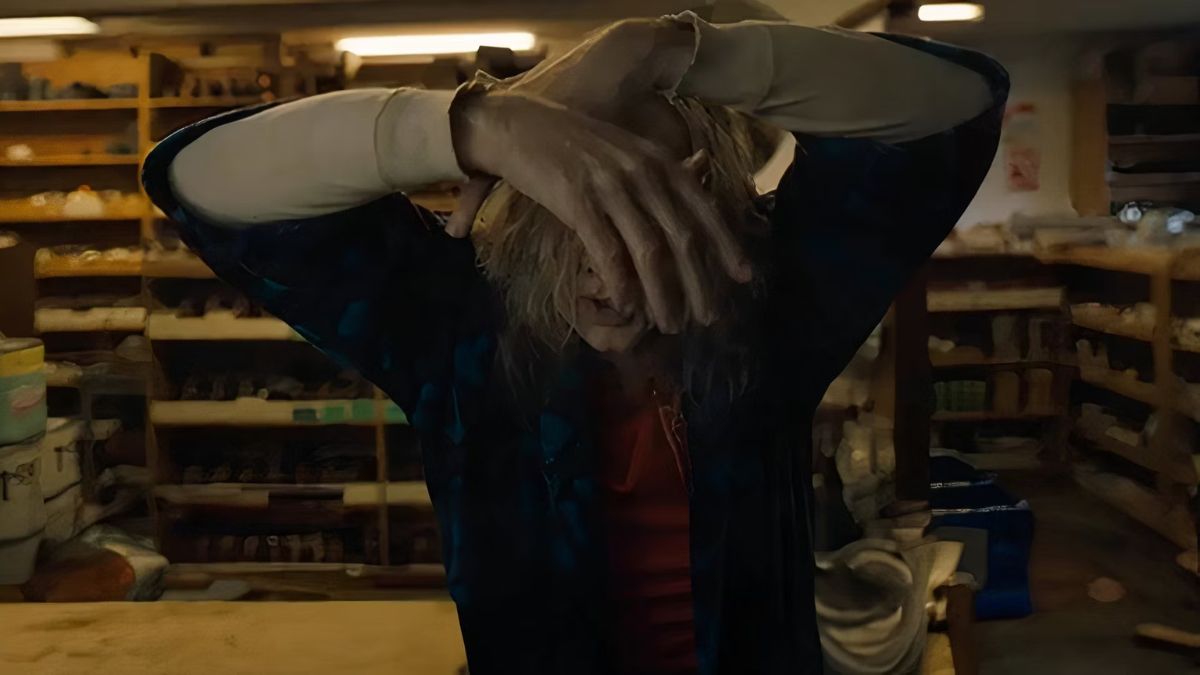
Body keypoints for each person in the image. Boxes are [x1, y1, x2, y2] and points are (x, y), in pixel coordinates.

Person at [143, 12, 1008, 674]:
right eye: (578, 202)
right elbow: (198, 178)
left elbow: (951, 108)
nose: (613, 255)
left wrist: (664, 49)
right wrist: (475, 128)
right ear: (523, 217)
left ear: (718, 218)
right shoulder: (461, 332)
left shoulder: (765, 310)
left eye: (655, 203)